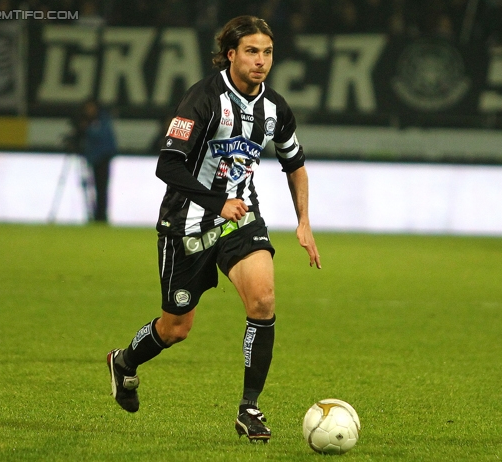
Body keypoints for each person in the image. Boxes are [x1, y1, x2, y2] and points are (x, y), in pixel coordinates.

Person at [106, 15, 321, 442]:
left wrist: (304, 222)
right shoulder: (202, 99)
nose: (261, 61)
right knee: (175, 328)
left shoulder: (275, 108)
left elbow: (294, 163)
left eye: (268, 52)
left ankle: (250, 409)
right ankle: (125, 362)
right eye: (252, 52)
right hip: (186, 223)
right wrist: (216, 201)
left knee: (263, 300)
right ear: (231, 55)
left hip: (239, 220)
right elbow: (166, 164)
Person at [76, 98, 117, 223]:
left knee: (101, 188)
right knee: (94, 187)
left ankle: (100, 215)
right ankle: (96, 214)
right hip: (94, 158)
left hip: (102, 159)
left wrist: (86, 129)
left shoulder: (101, 121)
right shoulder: (95, 121)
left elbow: (102, 136)